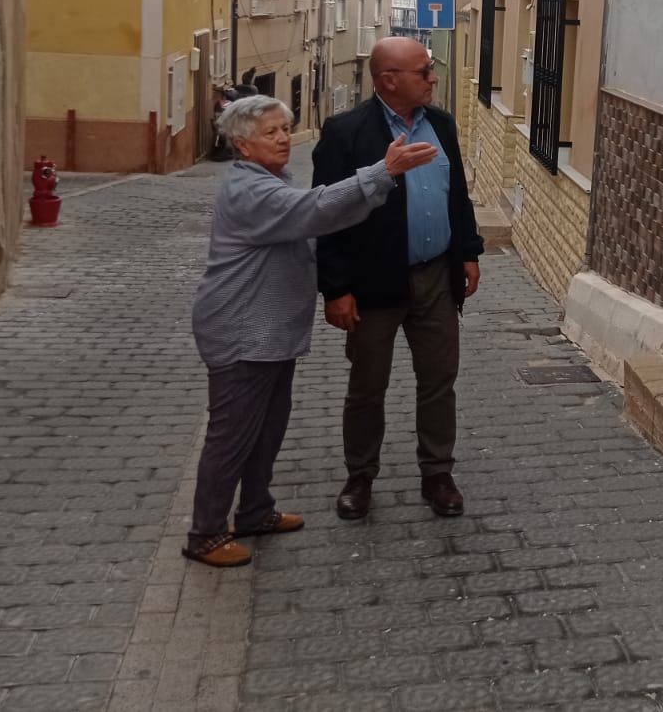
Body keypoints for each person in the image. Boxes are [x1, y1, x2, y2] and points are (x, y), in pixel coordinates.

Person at [184, 94, 437, 567]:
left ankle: (255, 511)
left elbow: (325, 214)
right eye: (271, 132)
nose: (284, 139)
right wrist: (382, 173)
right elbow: (316, 210)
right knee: (232, 435)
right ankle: (205, 534)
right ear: (241, 144)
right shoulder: (251, 191)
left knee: (267, 428)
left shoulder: (269, 179)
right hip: (242, 332)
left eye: (286, 129)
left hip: (268, 333)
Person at [313, 37, 483, 520]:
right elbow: (326, 216)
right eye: (423, 72)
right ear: (388, 79)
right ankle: (360, 475)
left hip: (435, 278)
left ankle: (437, 473)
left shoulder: (442, 126)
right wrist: (336, 289)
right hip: (373, 285)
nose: (433, 78)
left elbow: (458, 196)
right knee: (367, 385)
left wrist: (468, 252)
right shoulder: (346, 133)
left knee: (438, 380)